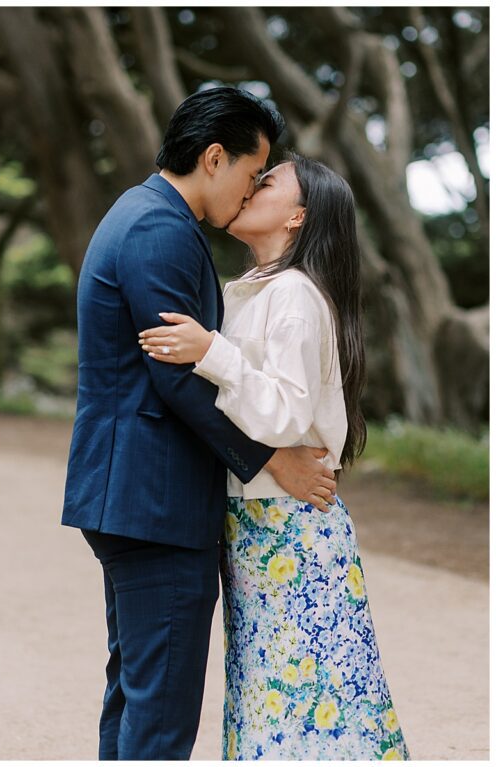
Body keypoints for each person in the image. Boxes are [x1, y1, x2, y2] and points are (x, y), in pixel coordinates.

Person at [61, 87, 338, 761]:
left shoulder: (144, 214)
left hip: (135, 496)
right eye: (251, 175)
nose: (248, 195)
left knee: (136, 693)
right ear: (215, 157)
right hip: (154, 500)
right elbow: (176, 375)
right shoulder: (160, 229)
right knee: (159, 712)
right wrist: (274, 458)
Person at [139, 154, 410, 760]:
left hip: (293, 528)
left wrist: (211, 352)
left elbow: (286, 414)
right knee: (275, 696)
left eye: (267, 182)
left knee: (314, 701)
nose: (248, 187)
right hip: (259, 524)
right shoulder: (249, 290)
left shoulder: (294, 294)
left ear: (297, 217)